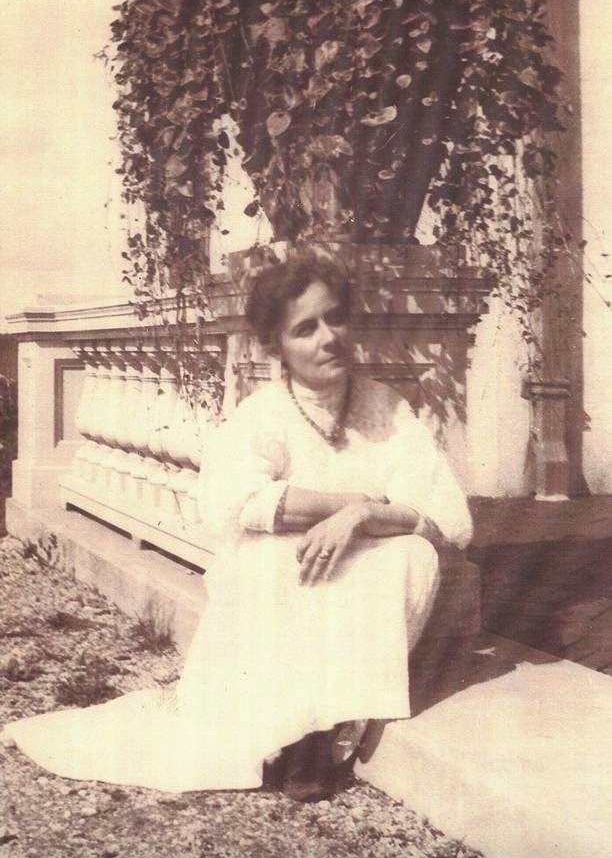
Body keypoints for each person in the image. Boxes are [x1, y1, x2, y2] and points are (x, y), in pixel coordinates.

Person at [1, 250, 472, 800]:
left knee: (409, 556)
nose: (328, 338)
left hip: (369, 554)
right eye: (305, 329)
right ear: (276, 346)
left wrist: (362, 515)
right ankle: (290, 732)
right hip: (292, 564)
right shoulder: (264, 413)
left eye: (336, 318)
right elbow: (235, 500)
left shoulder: (387, 408)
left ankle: (327, 730)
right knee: (272, 558)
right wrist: (344, 502)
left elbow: (445, 514)